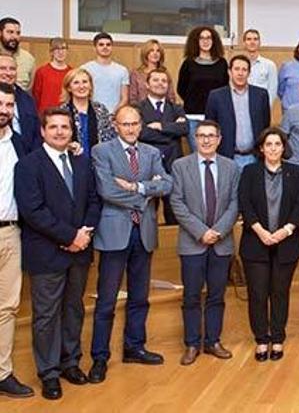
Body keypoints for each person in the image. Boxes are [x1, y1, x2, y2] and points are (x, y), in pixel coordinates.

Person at [14, 108, 101, 400]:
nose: (61, 132)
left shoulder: (82, 161)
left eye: (65, 127)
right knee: (47, 315)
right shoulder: (28, 165)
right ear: (43, 131)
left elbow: (93, 200)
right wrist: (70, 236)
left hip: (79, 251)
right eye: (54, 127)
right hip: (47, 252)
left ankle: (70, 362)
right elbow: (33, 211)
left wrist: (84, 234)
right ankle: (49, 372)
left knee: (73, 309)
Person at [88, 105, 172, 383]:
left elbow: (167, 184)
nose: (131, 128)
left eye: (135, 123)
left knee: (140, 297)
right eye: (126, 124)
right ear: (115, 124)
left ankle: (134, 346)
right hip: (114, 233)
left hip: (144, 232)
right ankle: (99, 357)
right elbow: (107, 190)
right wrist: (147, 192)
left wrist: (137, 188)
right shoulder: (102, 151)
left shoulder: (150, 152)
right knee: (107, 300)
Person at [169, 120, 240, 366]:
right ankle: (191, 343)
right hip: (192, 242)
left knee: (217, 295)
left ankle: (213, 341)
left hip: (222, 243)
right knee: (191, 296)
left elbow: (235, 203)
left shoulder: (231, 167)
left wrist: (218, 231)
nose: (206, 140)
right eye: (201, 136)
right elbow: (177, 203)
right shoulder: (180, 166)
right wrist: (201, 232)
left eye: (211, 136)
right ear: (194, 139)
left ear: (219, 139)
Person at [238, 127, 299, 362]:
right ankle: (261, 339)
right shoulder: (249, 172)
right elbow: (244, 204)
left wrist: (285, 230)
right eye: (268, 144)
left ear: (283, 147)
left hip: (286, 242)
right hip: (255, 242)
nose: (273, 149)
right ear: (261, 148)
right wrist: (260, 231)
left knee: (280, 292)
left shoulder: (295, 172)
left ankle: (277, 337)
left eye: (277, 144)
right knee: (257, 293)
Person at [0, 83, 34, 399]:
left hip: (10, 233)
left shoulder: (20, 144)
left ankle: (3, 372)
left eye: (9, 105)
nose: (4, 110)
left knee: (7, 307)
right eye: (0, 104)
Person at [136, 68, 187, 225]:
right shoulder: (138, 108)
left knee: (173, 210)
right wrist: (172, 130)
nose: (160, 83)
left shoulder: (176, 107)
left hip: (172, 163)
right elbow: (141, 133)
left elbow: (184, 129)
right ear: (147, 84)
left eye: (164, 81)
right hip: (147, 164)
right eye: (156, 80)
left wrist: (161, 126)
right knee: (147, 211)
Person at [205, 55, 271, 169]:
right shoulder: (216, 96)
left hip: (255, 157)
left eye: (244, 70)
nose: (240, 73)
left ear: (249, 73)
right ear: (229, 72)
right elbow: (210, 127)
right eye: (236, 69)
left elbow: (265, 124)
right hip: (227, 158)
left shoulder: (261, 95)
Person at [177, 26, 229, 150]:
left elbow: (225, 89)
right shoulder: (188, 63)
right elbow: (181, 89)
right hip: (193, 117)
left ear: (214, 41)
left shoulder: (222, 63)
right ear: (196, 41)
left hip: (216, 118)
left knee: (214, 154)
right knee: (198, 153)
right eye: (202, 38)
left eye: (209, 38)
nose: (205, 41)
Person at [61, 68, 116, 158]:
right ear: (69, 88)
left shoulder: (100, 109)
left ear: (90, 86)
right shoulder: (62, 111)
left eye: (85, 82)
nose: (81, 86)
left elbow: (109, 138)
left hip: (99, 162)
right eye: (76, 83)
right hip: (71, 162)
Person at [0, 54, 41, 153]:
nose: (8, 73)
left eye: (12, 69)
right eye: (3, 68)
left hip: (24, 157)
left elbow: (36, 134)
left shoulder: (28, 100)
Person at [81, 32, 129, 113]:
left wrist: (114, 113)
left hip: (114, 116)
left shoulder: (122, 70)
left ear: (112, 47)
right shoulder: (85, 69)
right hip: (91, 114)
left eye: (108, 44)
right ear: (95, 48)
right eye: (101, 44)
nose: (105, 47)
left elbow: (125, 98)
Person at [32, 37, 71, 112]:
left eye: (63, 48)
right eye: (56, 49)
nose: (60, 52)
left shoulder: (71, 72)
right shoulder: (41, 72)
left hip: (65, 114)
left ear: (67, 51)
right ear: (51, 52)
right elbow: (36, 97)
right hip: (45, 115)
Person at [242, 29, 279, 109]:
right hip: (241, 107)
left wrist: (265, 108)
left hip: (261, 107)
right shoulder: (239, 65)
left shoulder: (269, 65)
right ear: (244, 43)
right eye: (249, 39)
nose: (252, 42)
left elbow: (272, 91)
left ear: (259, 43)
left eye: (255, 39)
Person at [128, 39, 167, 105]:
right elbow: (132, 98)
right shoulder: (136, 74)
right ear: (146, 53)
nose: (155, 53)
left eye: (158, 51)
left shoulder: (165, 73)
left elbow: (171, 97)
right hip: (140, 111)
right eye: (151, 50)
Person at [0, 17, 35, 92]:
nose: (15, 37)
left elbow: (30, 89)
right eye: (10, 32)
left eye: (18, 33)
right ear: (0, 33)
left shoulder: (28, 59)